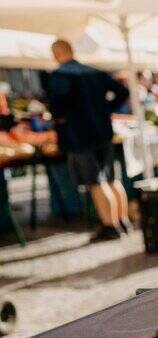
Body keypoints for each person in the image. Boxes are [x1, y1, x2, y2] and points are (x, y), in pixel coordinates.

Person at [46, 39, 131, 241]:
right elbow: (123, 92)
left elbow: (56, 106)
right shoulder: (94, 72)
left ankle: (110, 225)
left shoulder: (60, 75)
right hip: (103, 131)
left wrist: (62, 117)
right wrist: (105, 109)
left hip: (79, 135)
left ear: (56, 54)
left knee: (96, 181)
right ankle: (123, 221)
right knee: (111, 178)